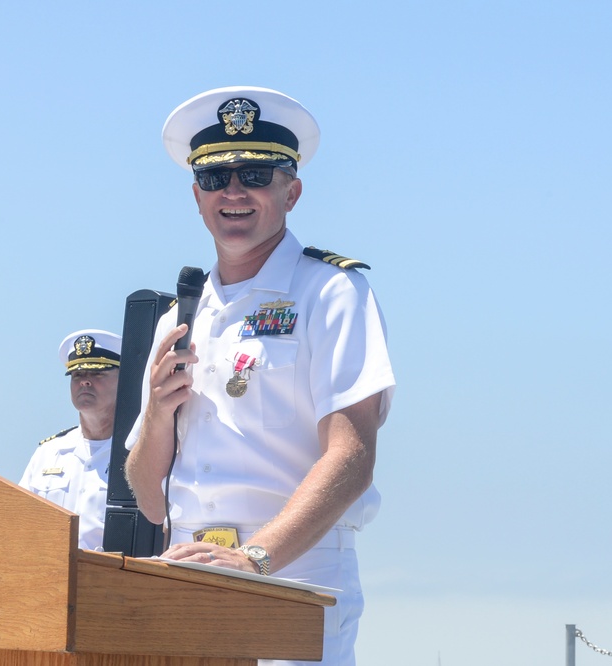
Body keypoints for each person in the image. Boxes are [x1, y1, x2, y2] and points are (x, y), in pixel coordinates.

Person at [124, 87, 396, 666]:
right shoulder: (179, 316)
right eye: (216, 178)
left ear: (291, 191)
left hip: (293, 571)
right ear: (196, 196)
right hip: (185, 574)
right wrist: (155, 411)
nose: (235, 192)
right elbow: (149, 500)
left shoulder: (331, 292)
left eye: (256, 174)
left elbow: (351, 456)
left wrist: (255, 559)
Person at [19, 329, 121, 551]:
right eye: (77, 375)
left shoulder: (141, 451)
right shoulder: (48, 453)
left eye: (97, 373)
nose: (84, 382)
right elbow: (20, 523)